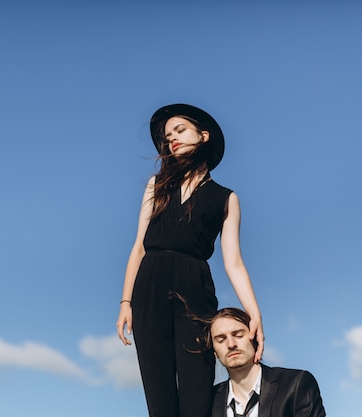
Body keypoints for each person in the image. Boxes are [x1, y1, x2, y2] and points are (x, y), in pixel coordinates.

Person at [116, 103, 264, 417]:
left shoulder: (226, 198)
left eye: (180, 130)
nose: (172, 139)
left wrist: (254, 314)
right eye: (168, 136)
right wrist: (125, 301)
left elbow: (233, 262)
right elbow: (139, 247)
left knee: (197, 394)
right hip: (149, 286)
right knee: (159, 397)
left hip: (195, 287)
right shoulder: (156, 186)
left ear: (204, 135)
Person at [209, 308, 326, 417]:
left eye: (238, 335)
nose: (231, 344)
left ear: (255, 337)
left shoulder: (295, 385)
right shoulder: (210, 401)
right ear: (214, 351)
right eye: (221, 339)